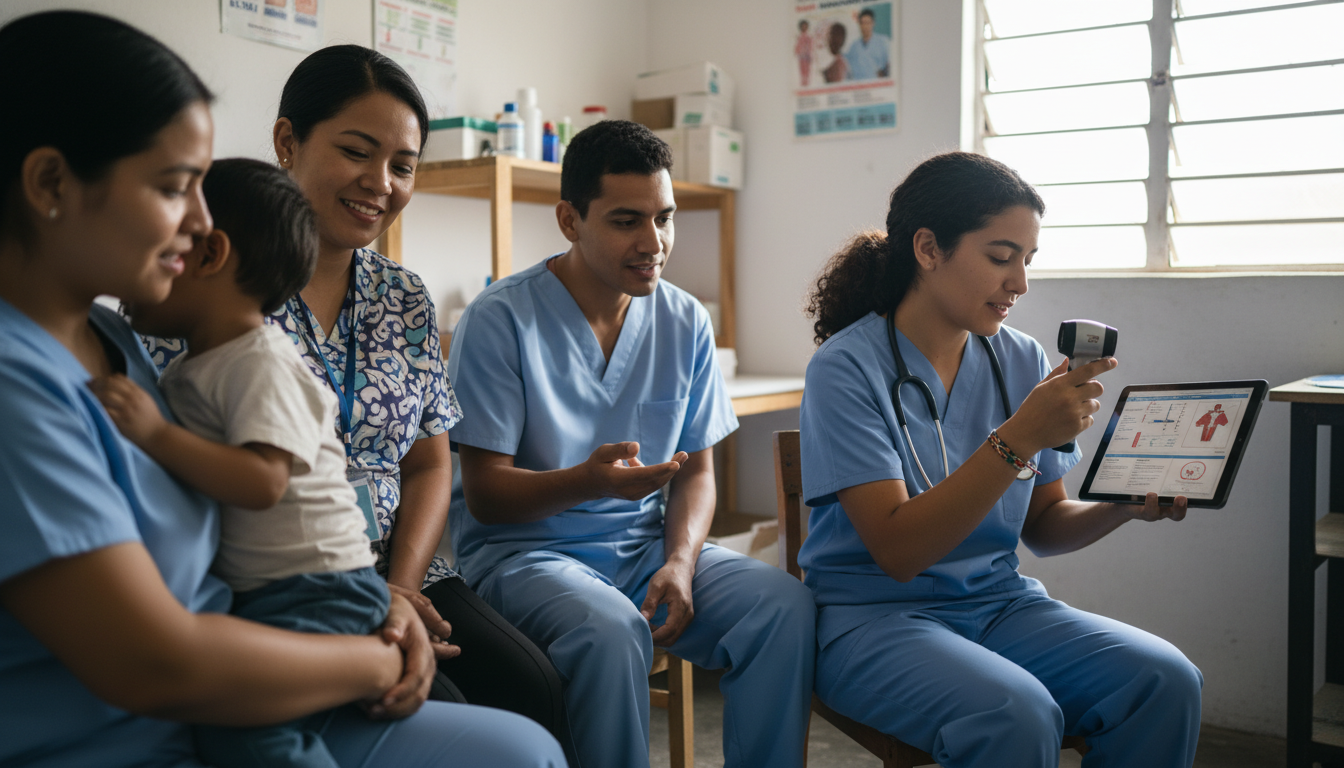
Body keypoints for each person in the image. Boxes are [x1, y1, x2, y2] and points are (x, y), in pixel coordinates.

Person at [0, 10, 565, 768]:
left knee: (529, 721)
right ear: (49, 183)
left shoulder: (111, 338)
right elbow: (156, 654)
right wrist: (371, 655)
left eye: (402, 164)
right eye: (174, 187)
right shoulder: (164, 324)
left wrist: (386, 590)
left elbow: (426, 461)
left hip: (328, 590)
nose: (200, 224)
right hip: (208, 674)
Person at [145, 44, 565, 735]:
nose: (381, 183)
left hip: (407, 568)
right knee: (442, 709)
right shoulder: (210, 287)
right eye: (356, 152)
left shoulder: (404, 297)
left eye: (403, 165)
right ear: (288, 141)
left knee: (533, 685)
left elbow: (429, 464)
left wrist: (400, 587)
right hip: (288, 576)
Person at [799, 151, 1202, 768]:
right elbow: (898, 553)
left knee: (1165, 680)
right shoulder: (845, 369)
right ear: (928, 249)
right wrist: (1019, 437)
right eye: (1000, 257)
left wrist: (1121, 505)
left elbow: (1044, 526)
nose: (1020, 282)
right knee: (1015, 713)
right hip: (872, 621)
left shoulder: (1020, 360)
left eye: (1027, 260)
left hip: (999, 605)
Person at [446, 120, 817, 768]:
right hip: (526, 558)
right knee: (611, 630)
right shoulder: (500, 319)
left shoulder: (684, 319)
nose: (654, 242)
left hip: (645, 551)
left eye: (664, 218)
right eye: (626, 221)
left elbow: (697, 472)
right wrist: (587, 482)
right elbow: (485, 496)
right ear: (569, 219)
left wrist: (680, 561)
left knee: (783, 607)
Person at [95, 157, 429, 768]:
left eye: (168, 250)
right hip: (277, 589)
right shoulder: (199, 363)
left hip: (317, 589)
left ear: (210, 254)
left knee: (247, 735)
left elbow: (263, 481)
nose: (139, 274)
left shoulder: (257, 362)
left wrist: (155, 435)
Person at [845, 8, 890, 80]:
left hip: (877, 83)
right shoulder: (854, 46)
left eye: (867, 23)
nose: (864, 26)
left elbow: (889, 65)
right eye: (862, 23)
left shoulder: (883, 41)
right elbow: (848, 69)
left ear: (873, 23)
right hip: (859, 84)